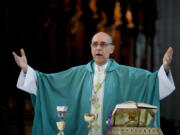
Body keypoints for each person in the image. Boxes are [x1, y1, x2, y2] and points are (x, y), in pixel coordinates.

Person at [12, 32, 175, 135]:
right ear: (90, 48)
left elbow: (153, 83)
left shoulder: (128, 74)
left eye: (103, 44)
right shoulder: (76, 74)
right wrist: (26, 69)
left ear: (112, 49)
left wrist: (165, 68)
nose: (98, 48)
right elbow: (46, 83)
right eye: (95, 44)